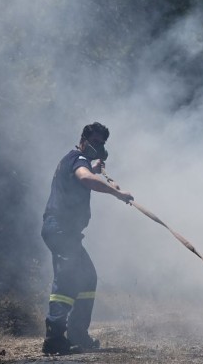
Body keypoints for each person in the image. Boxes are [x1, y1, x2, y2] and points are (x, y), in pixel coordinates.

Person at [41, 122, 134, 355]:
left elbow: (84, 173)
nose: (98, 146)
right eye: (94, 142)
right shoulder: (77, 158)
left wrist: (93, 167)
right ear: (83, 140)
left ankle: (77, 333)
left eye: (102, 143)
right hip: (60, 229)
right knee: (66, 281)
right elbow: (84, 178)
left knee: (87, 278)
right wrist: (116, 192)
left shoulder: (76, 160)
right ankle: (54, 339)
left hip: (67, 232)